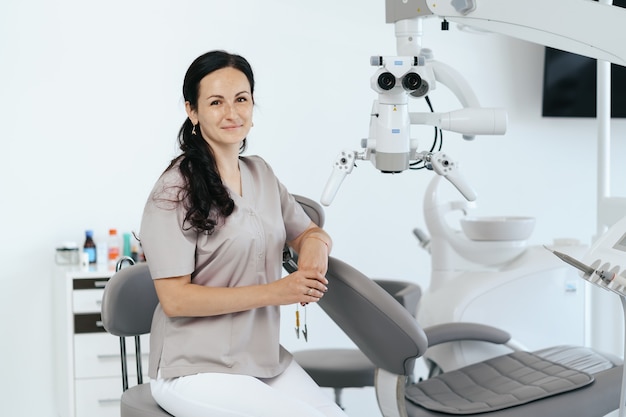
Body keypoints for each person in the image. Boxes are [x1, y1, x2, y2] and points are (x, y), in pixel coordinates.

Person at [139, 50, 348, 417]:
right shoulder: (173, 190)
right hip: (193, 366)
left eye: (241, 99)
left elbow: (310, 232)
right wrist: (276, 292)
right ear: (192, 111)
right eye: (216, 102)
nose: (232, 113)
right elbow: (174, 299)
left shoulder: (261, 174)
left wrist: (312, 261)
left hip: (262, 361)